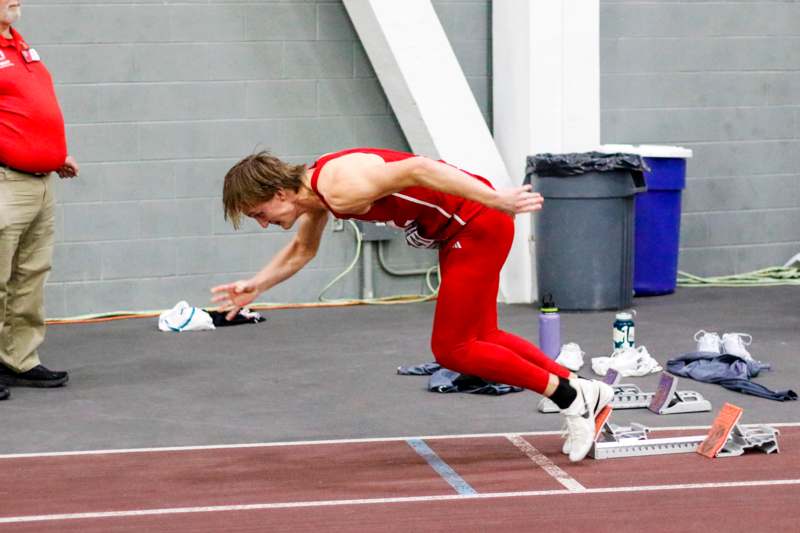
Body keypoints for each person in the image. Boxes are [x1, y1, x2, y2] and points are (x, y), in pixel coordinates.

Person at [212, 147, 613, 462]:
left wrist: (496, 198)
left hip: (478, 224)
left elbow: (419, 168)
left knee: (453, 349)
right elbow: (302, 249)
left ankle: (568, 396)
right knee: (482, 336)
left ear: (279, 193)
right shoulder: (316, 192)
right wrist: (256, 285)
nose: (262, 223)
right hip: (464, 228)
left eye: (259, 214)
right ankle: (584, 390)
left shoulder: (338, 185)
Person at [0, 0, 78, 400]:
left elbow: (23, 109)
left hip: (41, 180)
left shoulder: (19, 44)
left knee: (30, 274)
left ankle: (18, 359)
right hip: (6, 181)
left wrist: (52, 152)